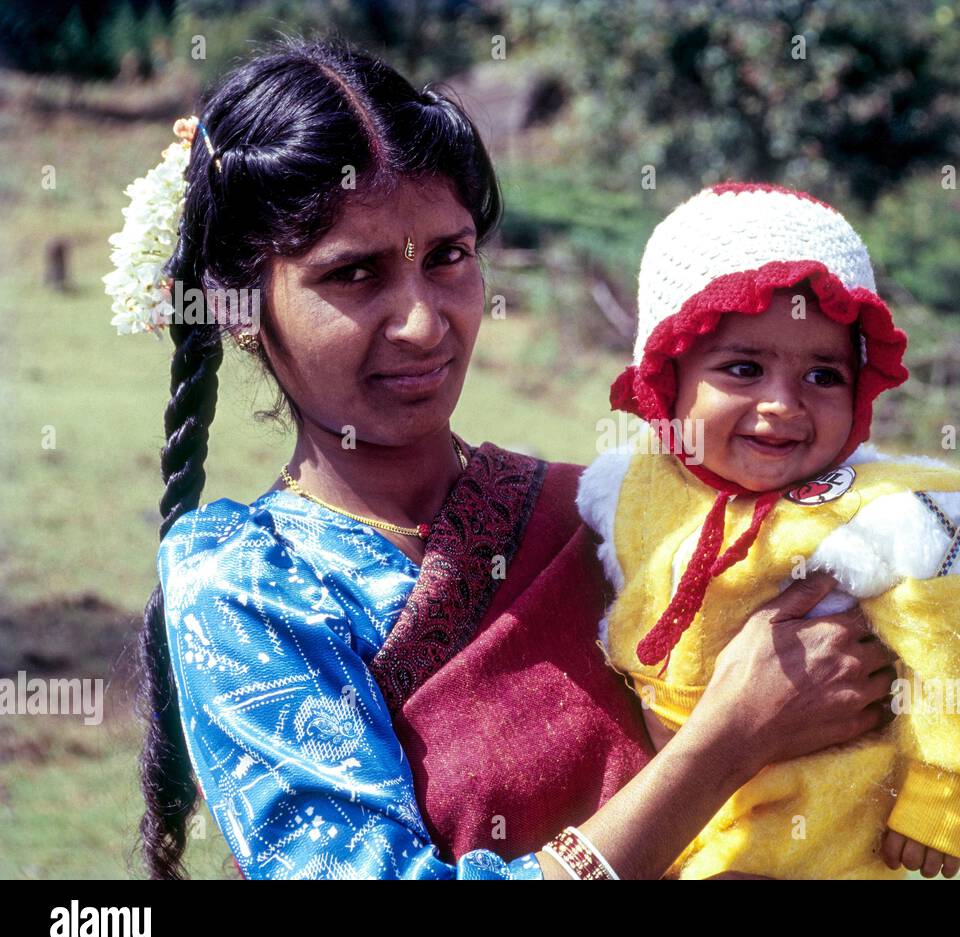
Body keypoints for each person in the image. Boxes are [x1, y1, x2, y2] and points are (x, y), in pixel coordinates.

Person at [119, 39, 899, 880]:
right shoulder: (242, 586)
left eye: (449, 257)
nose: (422, 322)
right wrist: (726, 740)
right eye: (353, 274)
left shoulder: (602, 515)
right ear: (240, 307)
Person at [576, 182, 960, 879]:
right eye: (743, 368)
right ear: (666, 375)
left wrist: (947, 785)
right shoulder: (635, 484)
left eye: (823, 374)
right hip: (672, 804)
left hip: (819, 832)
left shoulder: (891, 511)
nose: (782, 405)